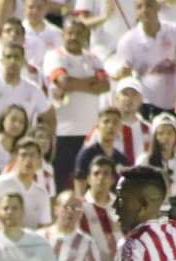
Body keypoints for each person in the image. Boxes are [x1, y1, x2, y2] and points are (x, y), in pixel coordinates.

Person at [44, 19, 109, 192]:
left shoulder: (94, 58)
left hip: (90, 132)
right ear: (63, 35)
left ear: (86, 36)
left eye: (79, 34)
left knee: (88, 180)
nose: (74, 37)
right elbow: (64, 82)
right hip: (63, 131)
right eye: (70, 33)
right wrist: (91, 84)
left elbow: (105, 85)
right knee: (62, 180)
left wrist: (74, 83)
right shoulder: (55, 55)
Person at [115, 0, 176, 117]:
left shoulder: (174, 30)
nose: (145, 10)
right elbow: (124, 74)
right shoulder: (127, 40)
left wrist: (175, 64)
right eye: (139, 7)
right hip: (147, 102)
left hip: (175, 101)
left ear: (158, 7)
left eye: (149, 5)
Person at [0, 42, 53, 130]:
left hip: (23, 140)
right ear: (2, 61)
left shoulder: (33, 89)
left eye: (16, 57)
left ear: (23, 61)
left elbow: (48, 115)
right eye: (8, 57)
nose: (12, 61)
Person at [0, 138, 52, 229]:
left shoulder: (42, 193)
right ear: (15, 157)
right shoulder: (1, 182)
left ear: (39, 159)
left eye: (32, 155)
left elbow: (44, 226)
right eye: (23, 155)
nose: (28, 160)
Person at [42, 191, 104, 261]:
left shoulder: (88, 243)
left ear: (81, 213)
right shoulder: (40, 237)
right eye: (66, 207)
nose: (70, 211)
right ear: (56, 210)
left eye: (75, 208)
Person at [80, 155, 122, 261]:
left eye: (106, 173)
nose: (101, 177)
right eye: (96, 173)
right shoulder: (79, 207)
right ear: (88, 179)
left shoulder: (121, 206)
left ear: (113, 179)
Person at [73, 107, 129, 195]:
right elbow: (79, 190)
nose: (110, 126)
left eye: (115, 122)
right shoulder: (87, 154)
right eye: (106, 121)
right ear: (98, 125)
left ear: (120, 127)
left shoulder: (122, 159)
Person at [137, 112, 176, 195]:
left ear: (175, 136)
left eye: (170, 133)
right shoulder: (144, 160)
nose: (166, 137)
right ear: (154, 136)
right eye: (161, 133)